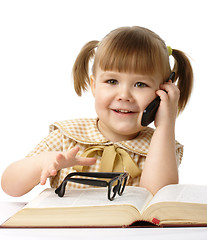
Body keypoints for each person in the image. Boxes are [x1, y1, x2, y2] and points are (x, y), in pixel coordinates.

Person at [1, 26, 193, 197]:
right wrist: (40, 163)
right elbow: (10, 186)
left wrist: (165, 125)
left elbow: (159, 200)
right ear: (94, 86)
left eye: (140, 84)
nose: (124, 95)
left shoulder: (161, 145)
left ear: (163, 92)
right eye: (112, 81)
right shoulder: (67, 137)